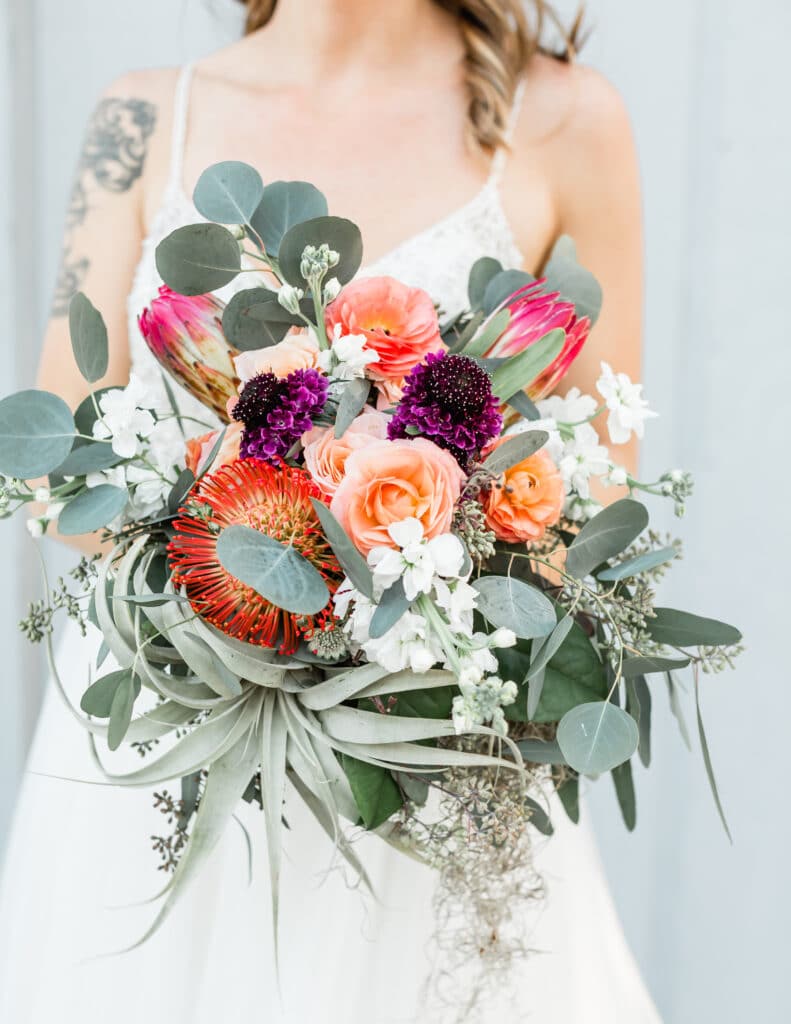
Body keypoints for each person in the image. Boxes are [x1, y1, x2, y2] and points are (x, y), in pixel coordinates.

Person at [0, 1, 658, 1020]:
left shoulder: (565, 120)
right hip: (168, 755)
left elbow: (594, 489)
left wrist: (398, 580)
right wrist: (250, 567)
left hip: (419, 773)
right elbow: (54, 479)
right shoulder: (142, 119)